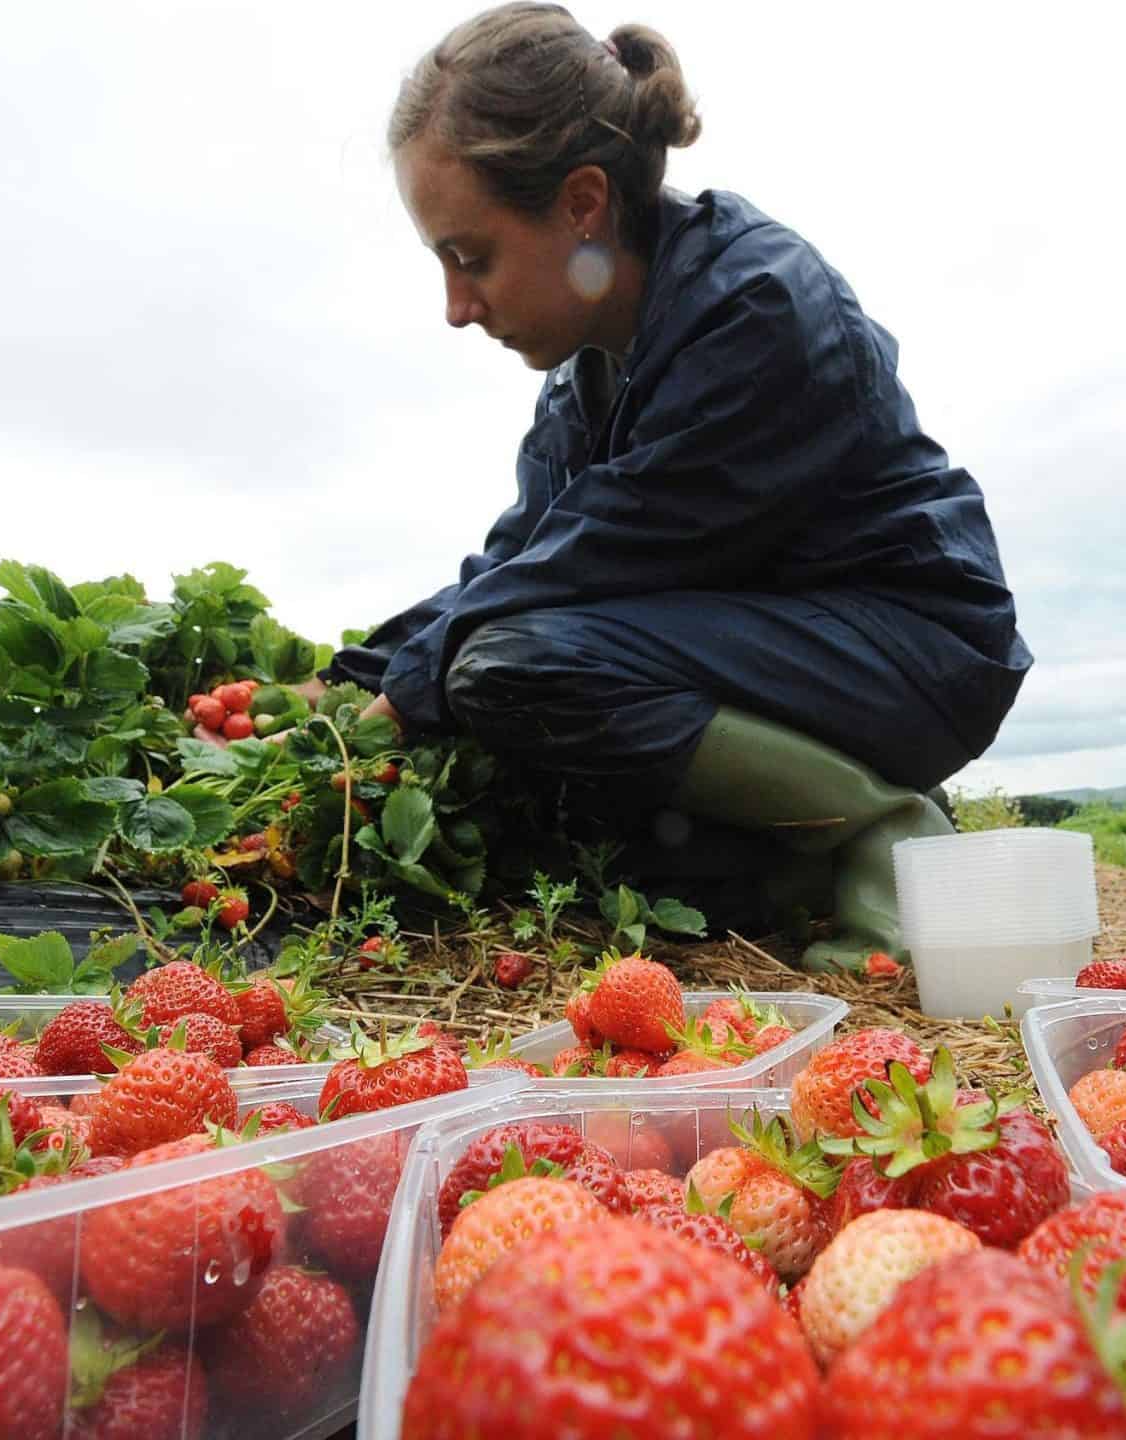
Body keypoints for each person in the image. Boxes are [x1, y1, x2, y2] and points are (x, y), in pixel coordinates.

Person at [316, 2, 1031, 971]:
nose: (455, 307)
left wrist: (411, 687)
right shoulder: (585, 375)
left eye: (469, 256)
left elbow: (586, 561)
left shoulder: (759, 311)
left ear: (581, 203)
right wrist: (344, 680)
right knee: (570, 796)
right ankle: (784, 866)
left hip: (910, 646)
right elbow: (519, 559)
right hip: (771, 641)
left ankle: (881, 829)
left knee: (506, 669)